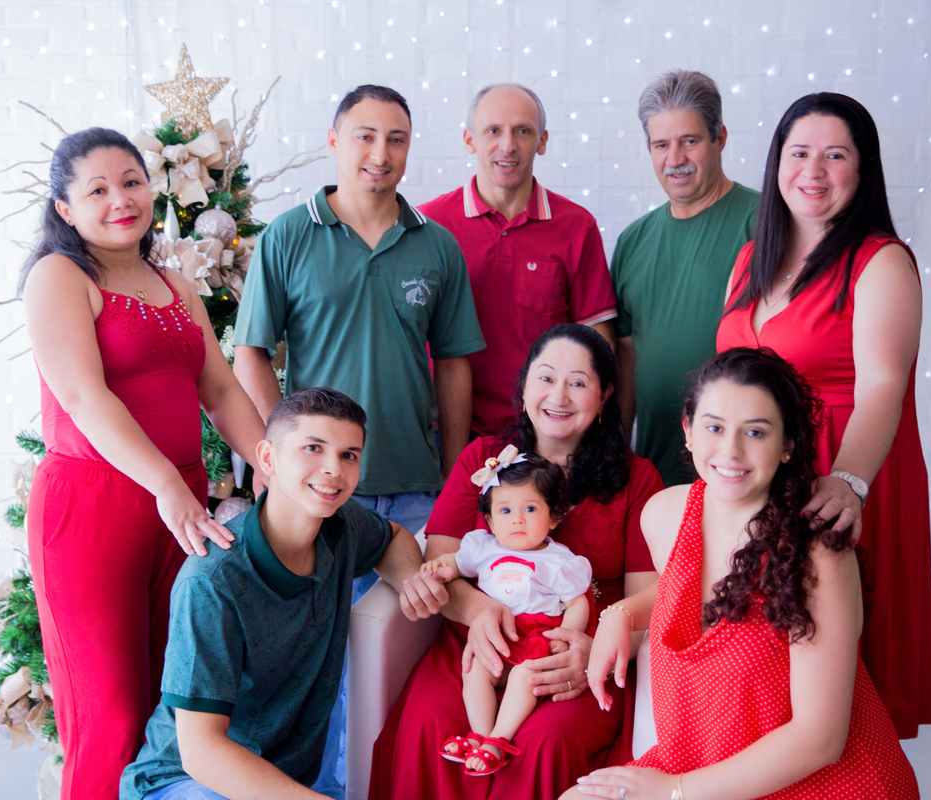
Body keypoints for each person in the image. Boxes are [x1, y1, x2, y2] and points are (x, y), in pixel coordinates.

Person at [233, 84, 486, 795]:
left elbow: (455, 363)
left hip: (411, 486)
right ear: (334, 140)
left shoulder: (435, 246)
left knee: (405, 648)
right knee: (323, 659)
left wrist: (453, 478)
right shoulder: (289, 235)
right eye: (366, 136)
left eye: (397, 139)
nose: (381, 154)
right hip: (321, 495)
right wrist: (274, 456)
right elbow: (249, 353)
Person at [19, 127, 267, 800]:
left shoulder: (176, 284)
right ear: (65, 209)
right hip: (94, 511)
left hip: (178, 513)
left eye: (131, 181)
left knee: (174, 708)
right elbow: (82, 395)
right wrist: (164, 483)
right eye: (96, 189)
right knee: (111, 714)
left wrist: (273, 465)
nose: (120, 199)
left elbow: (219, 391)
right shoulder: (59, 277)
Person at [565, 347, 918, 800]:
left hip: (806, 779)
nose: (730, 450)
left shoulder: (818, 555)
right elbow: (683, 588)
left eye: (755, 431)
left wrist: (673, 791)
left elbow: (821, 739)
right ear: (688, 432)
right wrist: (621, 613)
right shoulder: (664, 515)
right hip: (703, 760)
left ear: (788, 444)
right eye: (714, 427)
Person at [715, 93, 931, 738]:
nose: (813, 169)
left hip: (844, 473)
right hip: (760, 476)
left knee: (838, 679)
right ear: (776, 164)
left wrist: (849, 482)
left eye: (835, 155)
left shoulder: (880, 260)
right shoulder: (749, 260)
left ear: (862, 169)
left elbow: (884, 388)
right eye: (799, 152)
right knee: (763, 671)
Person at [370, 324, 665, 800]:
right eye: (546, 378)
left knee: (545, 741)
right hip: (478, 640)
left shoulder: (636, 478)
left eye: (579, 382)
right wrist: (477, 611)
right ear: (525, 384)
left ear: (606, 394)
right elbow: (441, 560)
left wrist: (603, 650)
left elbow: (648, 596)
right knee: (433, 721)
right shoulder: (483, 459)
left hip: (577, 650)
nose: (559, 396)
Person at [120, 388, 449, 800]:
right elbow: (201, 751)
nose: (333, 469)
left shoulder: (341, 525)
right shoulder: (212, 581)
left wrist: (411, 580)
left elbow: (394, 537)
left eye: (349, 454)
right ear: (268, 458)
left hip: (279, 781)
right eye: (313, 448)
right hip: (185, 783)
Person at [420, 83, 618, 437]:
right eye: (493, 131)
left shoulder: (576, 226)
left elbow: (597, 343)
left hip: (544, 436)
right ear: (469, 140)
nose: (507, 145)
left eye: (522, 131)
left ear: (542, 141)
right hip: (441, 432)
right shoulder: (428, 226)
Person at [611, 70, 759, 486]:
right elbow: (628, 360)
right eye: (662, 144)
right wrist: (618, 461)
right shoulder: (633, 241)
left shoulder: (765, 224)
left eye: (689, 141)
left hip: (741, 473)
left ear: (720, 138)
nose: (674, 159)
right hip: (654, 473)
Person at [422, 451, 592, 776]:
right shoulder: (483, 547)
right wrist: (439, 568)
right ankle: (479, 735)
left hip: (537, 634)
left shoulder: (558, 561)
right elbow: (456, 564)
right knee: (474, 672)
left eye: (530, 509)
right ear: (489, 521)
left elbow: (577, 602)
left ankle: (499, 740)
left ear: (553, 517)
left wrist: (568, 637)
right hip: (495, 635)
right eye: (505, 510)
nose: (517, 519)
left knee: (522, 677)